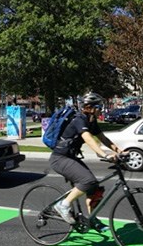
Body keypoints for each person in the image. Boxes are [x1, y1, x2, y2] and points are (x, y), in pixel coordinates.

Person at [49, 93, 124, 232]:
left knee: (94, 187)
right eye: (98, 106)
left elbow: (103, 138)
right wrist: (104, 154)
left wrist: (120, 151)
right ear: (89, 108)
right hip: (60, 158)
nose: (101, 108)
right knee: (87, 180)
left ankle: (92, 219)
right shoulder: (79, 119)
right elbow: (88, 138)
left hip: (70, 157)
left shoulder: (91, 120)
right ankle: (63, 205)